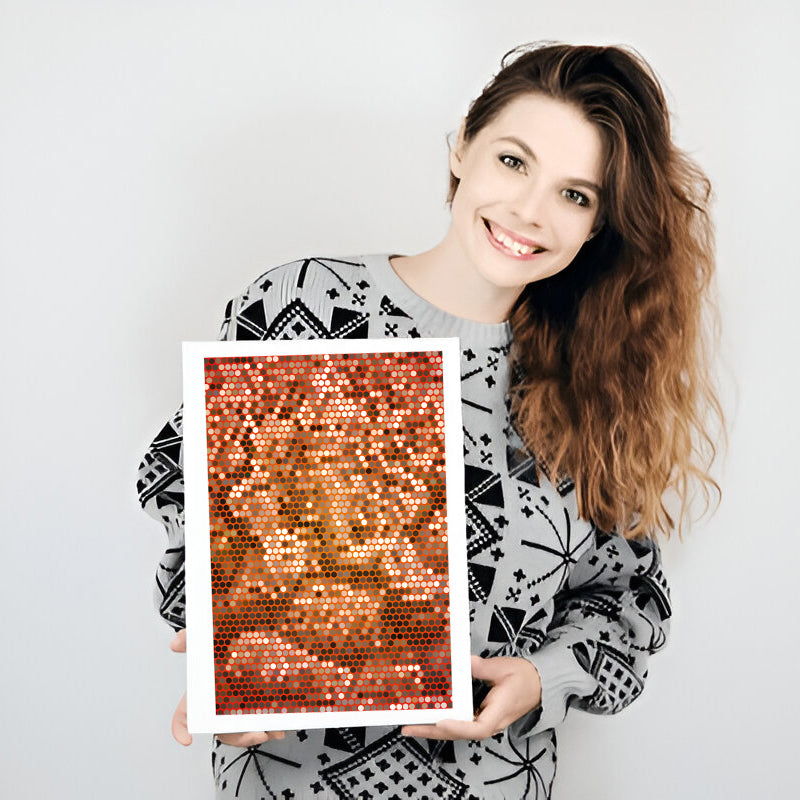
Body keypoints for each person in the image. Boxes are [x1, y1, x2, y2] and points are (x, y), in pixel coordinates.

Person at [138, 41, 721, 799]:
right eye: (514, 161)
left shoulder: (595, 384)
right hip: (288, 779)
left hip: (490, 782)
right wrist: (226, 656)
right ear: (462, 148)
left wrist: (539, 679)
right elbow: (185, 494)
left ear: (596, 227)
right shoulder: (305, 306)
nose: (528, 212)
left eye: (575, 196)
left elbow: (628, 603)